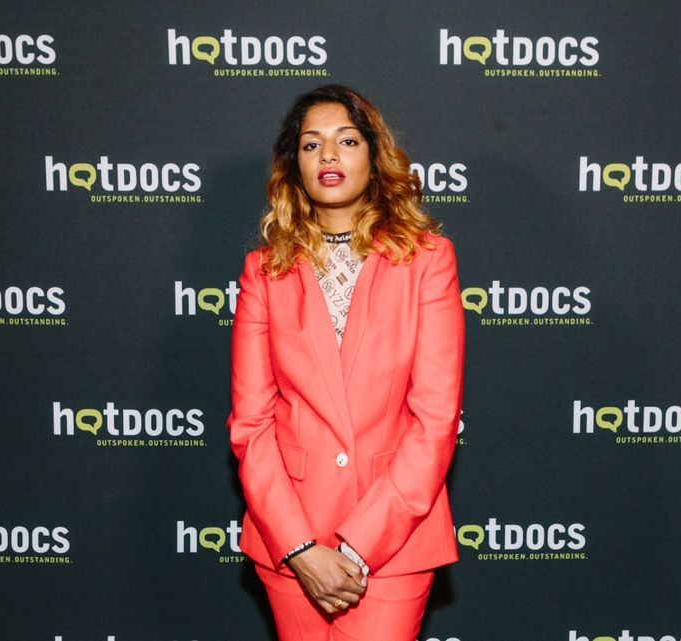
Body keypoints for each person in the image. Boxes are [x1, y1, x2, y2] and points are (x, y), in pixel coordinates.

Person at [227, 84, 465, 641]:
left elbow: (435, 421)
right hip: (290, 542)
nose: (328, 156)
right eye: (311, 145)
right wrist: (302, 549)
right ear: (295, 166)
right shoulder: (264, 271)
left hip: (395, 541)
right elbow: (251, 427)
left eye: (346, 140)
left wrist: (357, 548)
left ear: (374, 157)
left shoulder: (428, 261)